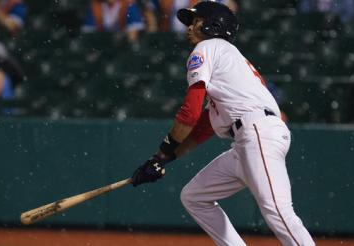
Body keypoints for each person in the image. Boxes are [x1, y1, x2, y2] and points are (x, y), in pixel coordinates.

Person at [129, 2, 314, 245]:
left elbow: (189, 113)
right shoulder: (225, 59)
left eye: (196, 21)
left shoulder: (207, 47)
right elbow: (203, 126)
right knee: (194, 196)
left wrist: (163, 150)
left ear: (213, 25)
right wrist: (163, 159)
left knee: (277, 211)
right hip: (249, 138)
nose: (189, 27)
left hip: (257, 133)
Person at [141, 0, 237, 32]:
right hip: (168, 37)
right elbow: (149, 10)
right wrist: (152, 30)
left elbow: (230, 6)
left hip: (198, 37)